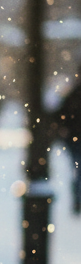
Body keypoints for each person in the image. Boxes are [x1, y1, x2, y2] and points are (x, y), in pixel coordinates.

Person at [54, 68, 81, 215]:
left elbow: (60, 116)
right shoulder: (72, 95)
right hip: (75, 140)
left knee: (78, 170)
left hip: (74, 140)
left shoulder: (72, 94)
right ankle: (77, 199)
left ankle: (77, 199)